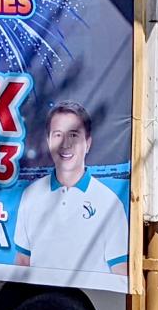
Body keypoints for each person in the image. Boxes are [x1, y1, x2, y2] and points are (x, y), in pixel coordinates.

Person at [13, 101, 127, 277]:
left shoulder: (110, 202)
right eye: (58, 135)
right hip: (41, 300)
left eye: (73, 135)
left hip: (86, 303)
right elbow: (22, 261)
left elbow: (120, 270)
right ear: (48, 141)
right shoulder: (31, 195)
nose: (65, 144)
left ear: (87, 143)